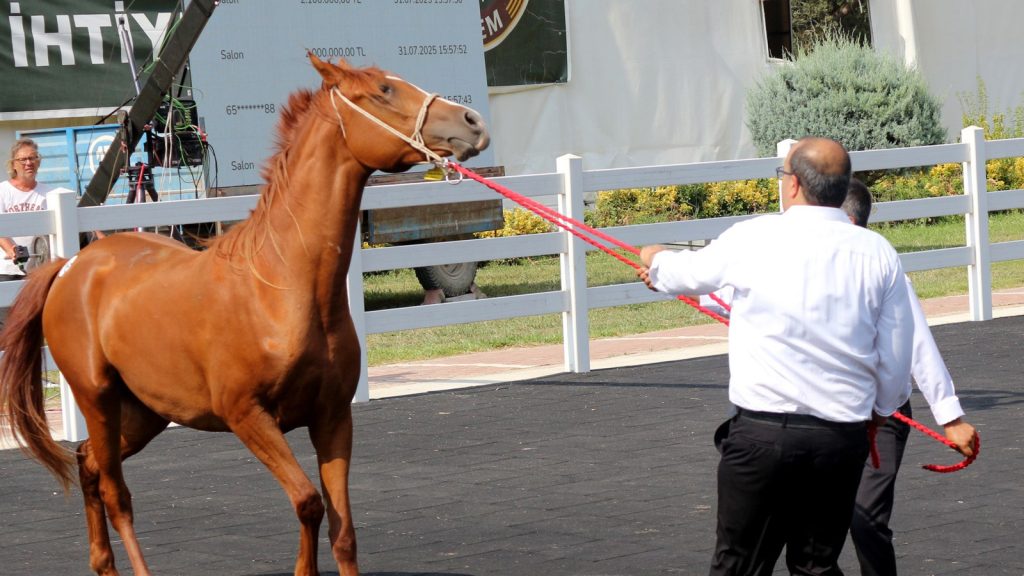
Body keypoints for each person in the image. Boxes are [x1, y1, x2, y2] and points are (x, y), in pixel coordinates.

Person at [638, 137, 915, 575]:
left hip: (763, 435)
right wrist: (879, 413)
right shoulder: (878, 251)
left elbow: (684, 275)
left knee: (738, 563)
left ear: (793, 186)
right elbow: (897, 358)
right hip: (839, 440)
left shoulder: (755, 234)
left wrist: (654, 259)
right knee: (816, 565)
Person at [841, 178, 978, 576]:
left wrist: (949, 416)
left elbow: (917, 342)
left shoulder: (882, 271)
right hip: (828, 415)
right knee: (815, 527)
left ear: (847, 222)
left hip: (882, 419)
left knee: (865, 520)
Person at [0, 138, 49, 281]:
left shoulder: (49, 193)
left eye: (33, 158)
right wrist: (11, 249)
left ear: (38, 162)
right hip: (7, 269)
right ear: (13, 164)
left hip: (38, 271)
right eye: (23, 159)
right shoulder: (2, 191)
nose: (29, 163)